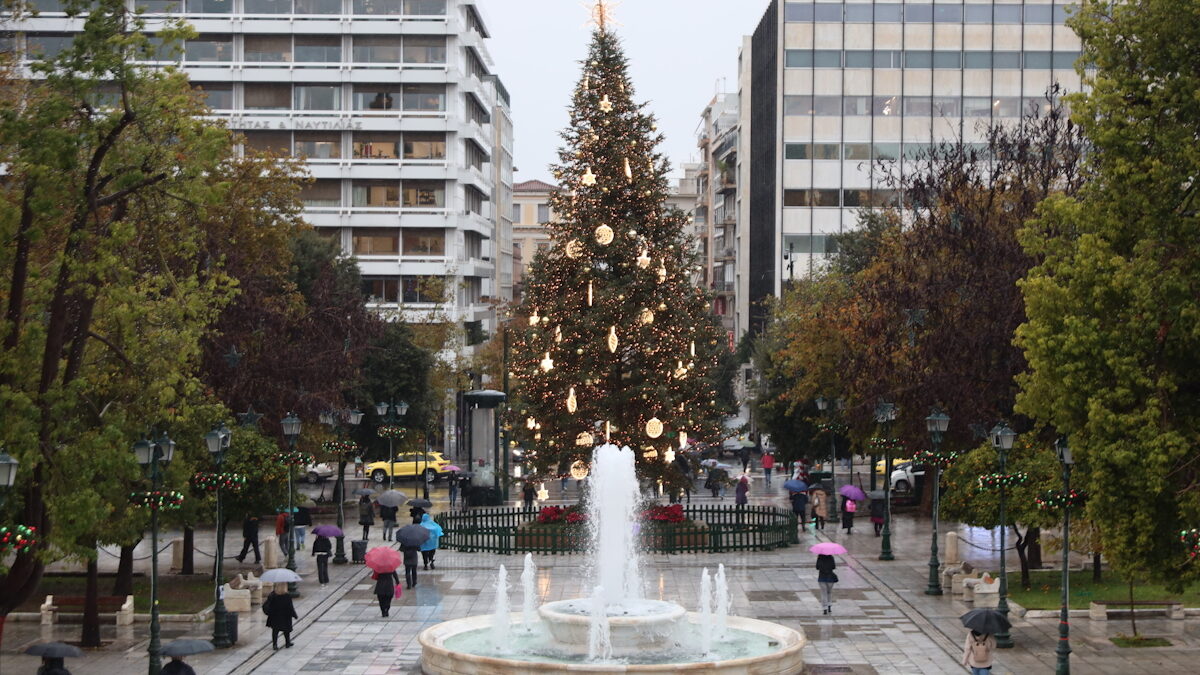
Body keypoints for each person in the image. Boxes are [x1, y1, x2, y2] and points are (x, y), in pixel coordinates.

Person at [263, 584, 297, 649]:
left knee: (275, 631)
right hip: (285, 617)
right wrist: (294, 615)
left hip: (275, 616)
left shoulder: (273, 595)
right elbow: (290, 607)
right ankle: (287, 643)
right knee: (286, 630)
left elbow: (268, 604)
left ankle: (275, 644)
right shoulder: (287, 596)